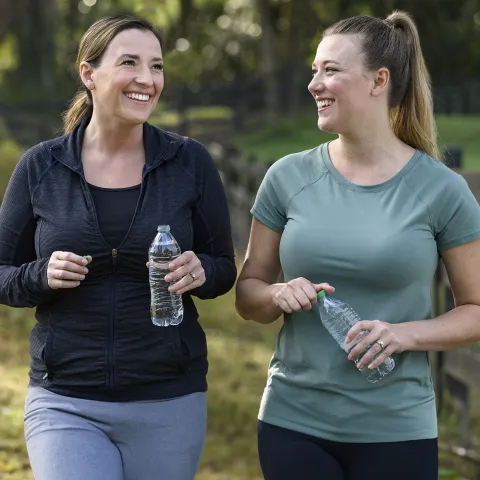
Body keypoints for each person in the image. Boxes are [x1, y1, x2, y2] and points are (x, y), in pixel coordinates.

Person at [235, 10, 480, 480]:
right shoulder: (286, 177)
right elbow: (249, 293)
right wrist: (273, 295)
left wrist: (404, 334)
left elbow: (474, 308)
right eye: (314, 70)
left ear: (378, 80)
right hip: (293, 421)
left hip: (397, 428)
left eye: (330, 70)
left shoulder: (441, 190)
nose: (315, 84)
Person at [0, 15, 236, 480]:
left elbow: (225, 266)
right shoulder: (40, 167)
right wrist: (38, 274)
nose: (147, 80)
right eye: (129, 63)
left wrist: (202, 271)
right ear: (89, 74)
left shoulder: (189, 162)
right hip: (66, 399)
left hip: (169, 398)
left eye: (157, 66)